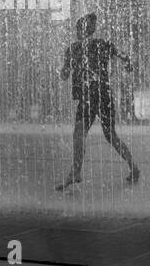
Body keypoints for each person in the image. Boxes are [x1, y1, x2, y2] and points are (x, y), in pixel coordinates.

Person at [56, 12, 141, 190]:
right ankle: (133, 167)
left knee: (79, 133)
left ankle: (76, 171)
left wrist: (64, 70)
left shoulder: (73, 49)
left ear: (81, 30)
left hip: (89, 95)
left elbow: (64, 75)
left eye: (78, 29)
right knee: (111, 135)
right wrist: (128, 64)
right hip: (104, 93)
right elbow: (125, 57)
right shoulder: (103, 44)